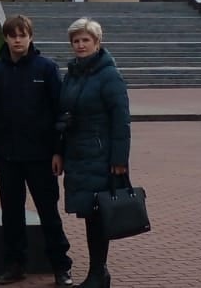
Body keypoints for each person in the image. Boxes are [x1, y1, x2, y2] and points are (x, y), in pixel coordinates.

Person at [0, 15, 73, 286]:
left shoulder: (46, 68)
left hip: (42, 156)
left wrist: (58, 151)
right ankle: (14, 263)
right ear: (6, 38)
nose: (18, 39)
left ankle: (61, 265)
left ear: (31, 37)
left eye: (23, 34)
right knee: (11, 213)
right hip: (7, 156)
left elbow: (60, 112)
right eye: (13, 35)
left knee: (48, 212)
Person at [57, 18, 131, 288]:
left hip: (101, 154)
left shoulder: (109, 75)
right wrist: (60, 150)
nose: (80, 45)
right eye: (76, 41)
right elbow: (65, 111)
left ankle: (98, 272)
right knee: (90, 213)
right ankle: (97, 271)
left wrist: (119, 160)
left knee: (100, 214)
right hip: (78, 153)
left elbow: (121, 120)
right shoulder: (73, 73)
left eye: (85, 40)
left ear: (98, 42)